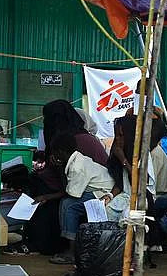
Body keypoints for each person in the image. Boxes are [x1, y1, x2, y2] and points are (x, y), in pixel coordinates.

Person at [26, 100, 108, 256]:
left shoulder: (74, 142)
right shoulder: (71, 140)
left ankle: (62, 246)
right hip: (81, 185)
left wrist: (46, 191)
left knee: (64, 202)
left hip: (94, 189)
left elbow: (69, 188)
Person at [44, 132, 121, 265]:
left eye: (54, 152)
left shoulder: (77, 167)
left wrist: (47, 196)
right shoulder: (76, 160)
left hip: (103, 191)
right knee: (66, 203)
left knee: (69, 206)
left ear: (61, 152)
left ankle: (72, 250)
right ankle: (69, 242)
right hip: (97, 188)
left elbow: (71, 193)